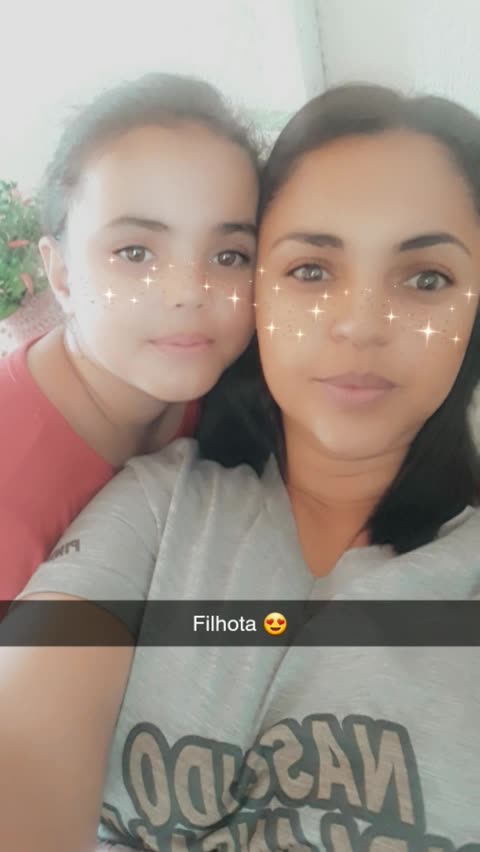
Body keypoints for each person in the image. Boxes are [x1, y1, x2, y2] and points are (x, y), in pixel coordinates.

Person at [2, 83, 480, 850]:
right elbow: (23, 742)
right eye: (312, 270)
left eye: (427, 278)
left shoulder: (176, 401)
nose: (361, 325)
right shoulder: (156, 500)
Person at [0, 72, 260, 598]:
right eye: (135, 252)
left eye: (229, 256)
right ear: (61, 275)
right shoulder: (12, 488)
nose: (189, 292)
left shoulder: (242, 392)